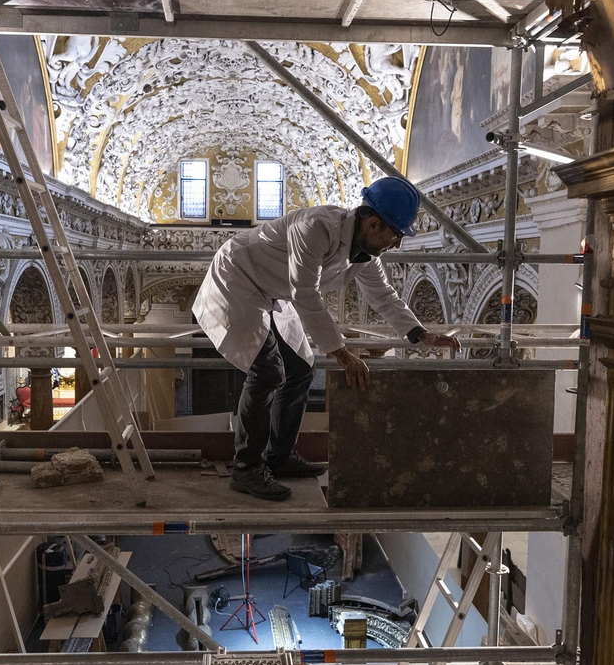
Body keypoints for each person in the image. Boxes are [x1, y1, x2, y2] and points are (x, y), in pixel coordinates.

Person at [193, 176, 462, 501]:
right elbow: (305, 293)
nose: (398, 244)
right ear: (374, 223)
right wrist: (342, 353)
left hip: (271, 290)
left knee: (301, 370)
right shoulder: (316, 227)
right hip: (238, 278)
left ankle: (278, 458)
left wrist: (421, 335)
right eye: (396, 234)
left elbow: (384, 297)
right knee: (266, 371)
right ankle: (247, 469)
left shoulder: (365, 253)